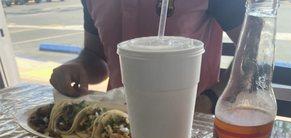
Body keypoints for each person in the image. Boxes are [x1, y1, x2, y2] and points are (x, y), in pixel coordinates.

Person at [50, 0, 246, 113]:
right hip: (117, 120)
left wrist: (211, 99)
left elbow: (255, 50)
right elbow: (95, 56)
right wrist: (79, 67)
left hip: (189, 124)